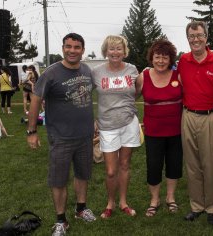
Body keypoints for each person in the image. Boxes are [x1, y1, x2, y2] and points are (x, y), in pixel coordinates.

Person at [26, 33, 96, 236]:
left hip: (84, 135)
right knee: (58, 180)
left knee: (83, 174)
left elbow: (86, 98)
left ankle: (81, 209)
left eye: (76, 47)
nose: (72, 50)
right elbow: (36, 101)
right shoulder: (51, 73)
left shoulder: (87, 70)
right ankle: (61, 220)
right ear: (63, 48)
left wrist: (93, 120)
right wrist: (32, 131)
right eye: (68, 46)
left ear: (83, 50)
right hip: (61, 137)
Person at [178, 21, 213, 225]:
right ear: (187, 38)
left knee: (211, 163)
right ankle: (196, 206)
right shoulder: (183, 60)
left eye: (199, 35)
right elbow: (180, 82)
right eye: (191, 36)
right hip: (188, 115)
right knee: (192, 165)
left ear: (206, 37)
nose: (195, 39)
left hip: (211, 117)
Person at [92, 35, 141, 219]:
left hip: (129, 123)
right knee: (111, 170)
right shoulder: (96, 72)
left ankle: (123, 202)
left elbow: (138, 89)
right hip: (107, 125)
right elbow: (85, 95)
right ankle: (109, 203)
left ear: (124, 51)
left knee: (125, 165)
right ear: (106, 51)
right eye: (111, 48)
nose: (115, 52)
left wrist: (128, 105)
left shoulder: (132, 69)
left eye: (119, 48)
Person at [136, 39, 183, 217]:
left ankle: (170, 198)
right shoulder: (144, 76)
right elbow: (130, 97)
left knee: (174, 165)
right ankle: (154, 200)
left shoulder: (178, 75)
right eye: (158, 57)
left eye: (165, 57)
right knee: (153, 166)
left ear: (171, 59)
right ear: (152, 58)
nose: (161, 61)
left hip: (176, 131)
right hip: (153, 132)